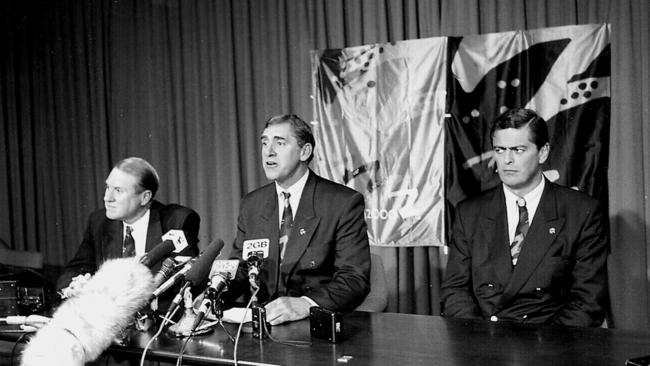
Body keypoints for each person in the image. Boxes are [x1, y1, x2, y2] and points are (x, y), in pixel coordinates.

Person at [440, 108, 608, 327]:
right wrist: (480, 341)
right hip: (484, 344)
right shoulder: (470, 213)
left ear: (543, 152)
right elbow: (455, 292)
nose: (507, 160)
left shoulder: (581, 212)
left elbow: (587, 302)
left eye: (518, 150)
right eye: (500, 150)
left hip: (550, 347)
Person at [228, 114, 370, 325]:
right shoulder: (252, 204)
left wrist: (306, 303)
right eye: (264, 143)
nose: (269, 151)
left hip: (314, 324)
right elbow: (242, 269)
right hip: (259, 326)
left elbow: (354, 279)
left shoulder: (342, 202)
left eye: (280, 143)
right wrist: (213, 296)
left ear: (305, 152)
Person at [57, 157, 200, 293]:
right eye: (108, 187)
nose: (107, 198)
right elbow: (75, 269)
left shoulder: (177, 221)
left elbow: (185, 283)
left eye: (118, 190)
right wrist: (75, 285)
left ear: (145, 197)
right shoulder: (99, 222)